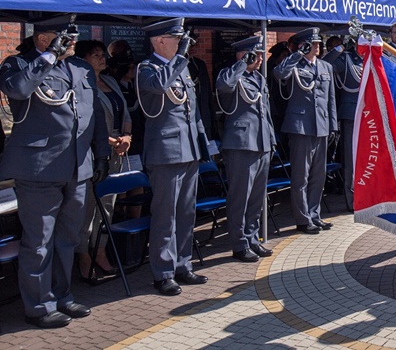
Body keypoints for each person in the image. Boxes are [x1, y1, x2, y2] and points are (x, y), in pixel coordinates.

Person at [0, 16, 109, 328]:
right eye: (62, 36)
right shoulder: (18, 64)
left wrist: (100, 155)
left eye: (71, 36)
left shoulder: (81, 68)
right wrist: (47, 58)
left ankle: (62, 295)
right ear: (42, 37)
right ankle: (38, 305)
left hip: (77, 166)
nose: (70, 42)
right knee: (39, 240)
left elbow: (94, 114)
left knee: (67, 237)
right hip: (39, 168)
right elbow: (18, 91)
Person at [136, 18, 210, 296]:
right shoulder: (147, 68)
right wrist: (179, 58)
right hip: (165, 152)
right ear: (159, 41)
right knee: (165, 215)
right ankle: (163, 272)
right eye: (175, 39)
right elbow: (157, 86)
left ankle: (182, 264)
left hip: (188, 149)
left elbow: (193, 112)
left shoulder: (180, 68)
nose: (181, 43)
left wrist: (202, 145)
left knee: (186, 212)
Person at [74, 40, 132, 282]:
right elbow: (84, 122)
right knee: (87, 208)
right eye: (95, 55)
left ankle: (100, 250)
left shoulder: (109, 82)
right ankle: (83, 254)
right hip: (94, 152)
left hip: (118, 151)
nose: (101, 58)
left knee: (107, 206)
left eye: (102, 54)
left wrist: (127, 136)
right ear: (82, 59)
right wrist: (111, 141)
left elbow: (125, 112)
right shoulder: (80, 85)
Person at [216, 36, 275, 263]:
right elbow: (224, 86)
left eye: (260, 55)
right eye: (256, 55)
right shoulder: (230, 75)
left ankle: (252, 237)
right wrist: (241, 64)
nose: (260, 59)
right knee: (240, 197)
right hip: (241, 144)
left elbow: (265, 112)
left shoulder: (258, 78)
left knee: (257, 197)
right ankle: (239, 243)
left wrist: (270, 139)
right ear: (244, 54)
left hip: (261, 143)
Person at [274, 27, 338, 234]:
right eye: (314, 44)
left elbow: (330, 100)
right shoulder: (294, 65)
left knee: (318, 176)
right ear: (304, 45)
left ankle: (314, 214)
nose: (318, 46)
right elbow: (278, 73)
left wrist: (333, 126)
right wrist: (297, 54)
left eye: (319, 43)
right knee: (301, 177)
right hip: (300, 127)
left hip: (321, 126)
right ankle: (303, 219)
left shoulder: (325, 66)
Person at [330, 37, 362, 212]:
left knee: (367, 157)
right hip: (350, 115)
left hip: (368, 115)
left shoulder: (372, 59)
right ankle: (353, 200)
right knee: (351, 159)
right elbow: (325, 65)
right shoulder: (347, 59)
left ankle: (366, 196)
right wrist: (340, 48)